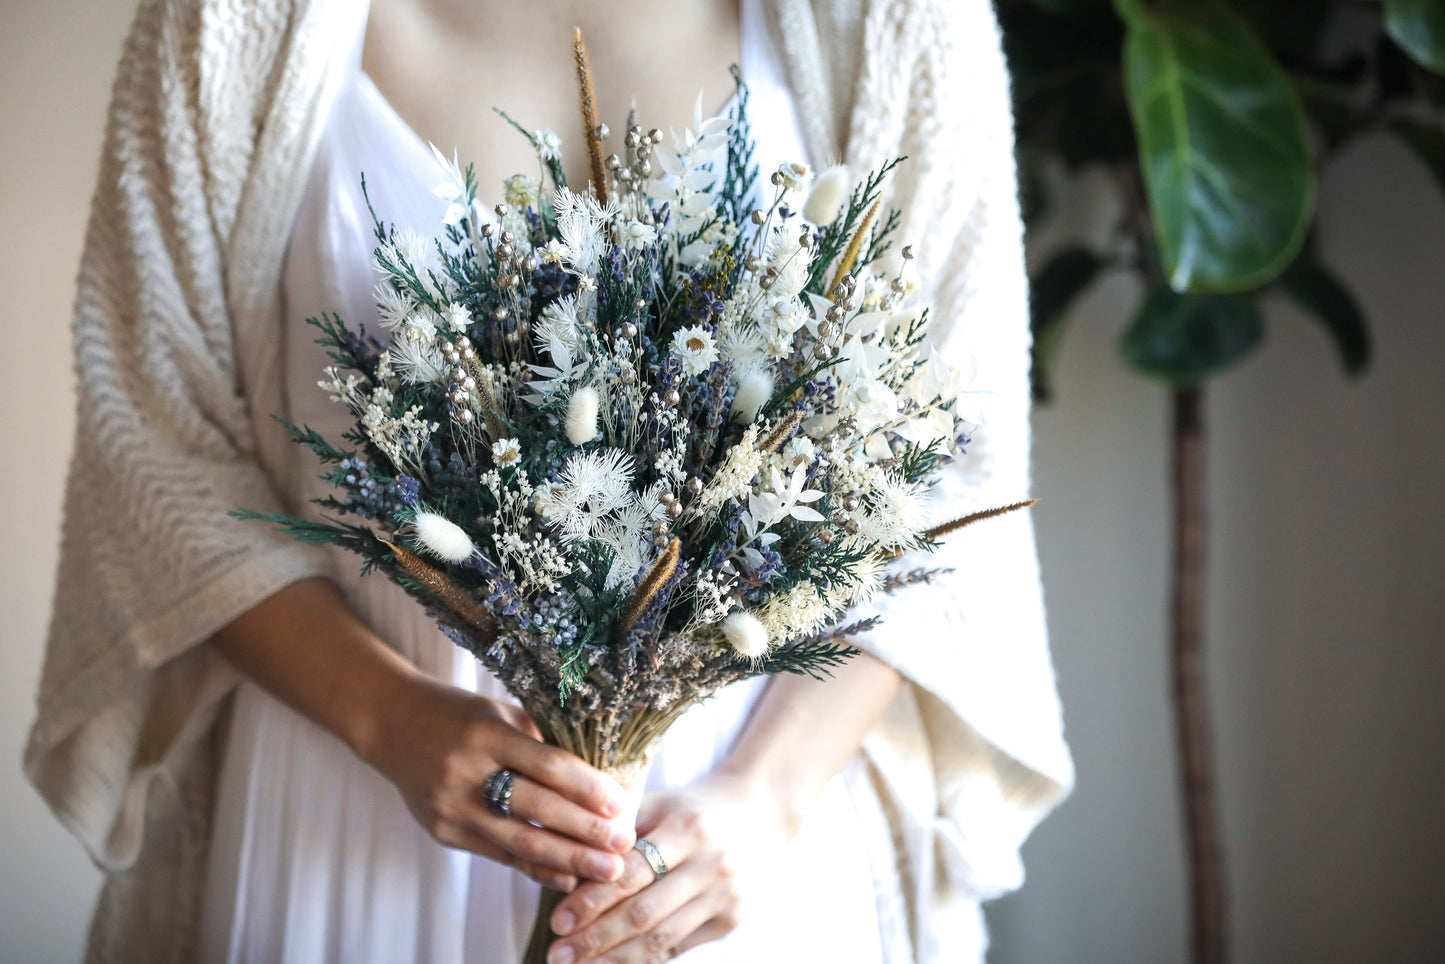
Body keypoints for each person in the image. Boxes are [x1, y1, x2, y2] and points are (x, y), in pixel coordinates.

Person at [25, 0, 1073, 961]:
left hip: (739, 848)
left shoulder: (896, 22)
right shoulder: (230, 22)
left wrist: (763, 800)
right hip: (345, 808)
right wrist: (389, 718)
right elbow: (155, 445)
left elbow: (950, 466)